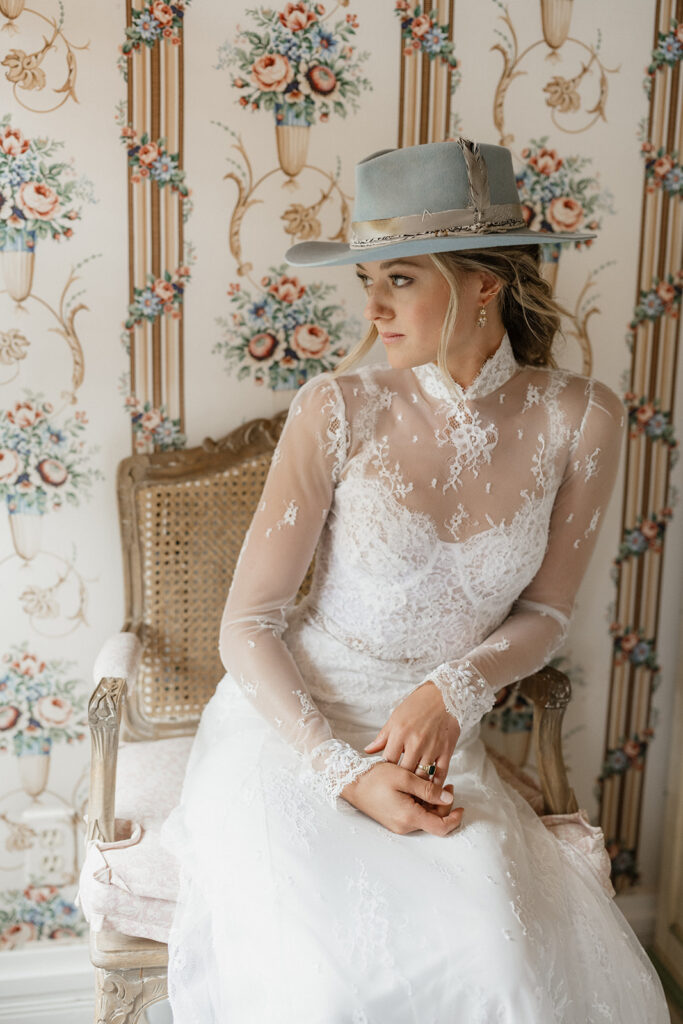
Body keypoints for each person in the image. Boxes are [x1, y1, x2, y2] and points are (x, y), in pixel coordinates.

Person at [161, 139, 670, 1022]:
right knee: (320, 990)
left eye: (399, 278)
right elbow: (246, 625)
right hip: (291, 733)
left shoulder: (582, 417)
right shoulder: (339, 406)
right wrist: (340, 774)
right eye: (371, 279)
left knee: (500, 974)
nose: (372, 305)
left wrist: (453, 689)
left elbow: (547, 610)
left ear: (483, 284)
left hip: (436, 736)